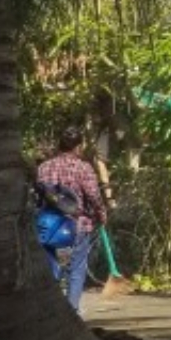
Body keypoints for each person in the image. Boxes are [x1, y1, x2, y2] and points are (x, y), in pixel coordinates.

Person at [35, 126, 106, 312]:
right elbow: (93, 196)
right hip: (77, 224)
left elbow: (39, 195)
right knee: (76, 269)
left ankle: (50, 310)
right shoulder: (83, 168)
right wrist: (102, 213)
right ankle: (71, 311)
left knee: (51, 267)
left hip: (48, 224)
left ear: (59, 145)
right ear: (78, 147)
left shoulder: (44, 167)